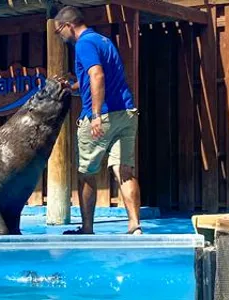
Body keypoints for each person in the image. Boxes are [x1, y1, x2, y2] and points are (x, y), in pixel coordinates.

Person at [54, 6, 142, 235]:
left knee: (87, 172)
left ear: (67, 26)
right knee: (124, 171)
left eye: (58, 31)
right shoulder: (103, 41)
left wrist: (95, 115)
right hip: (126, 112)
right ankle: (135, 224)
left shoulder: (83, 44)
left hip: (101, 115)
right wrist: (72, 87)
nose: (59, 36)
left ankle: (87, 227)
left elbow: (97, 75)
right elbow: (92, 79)